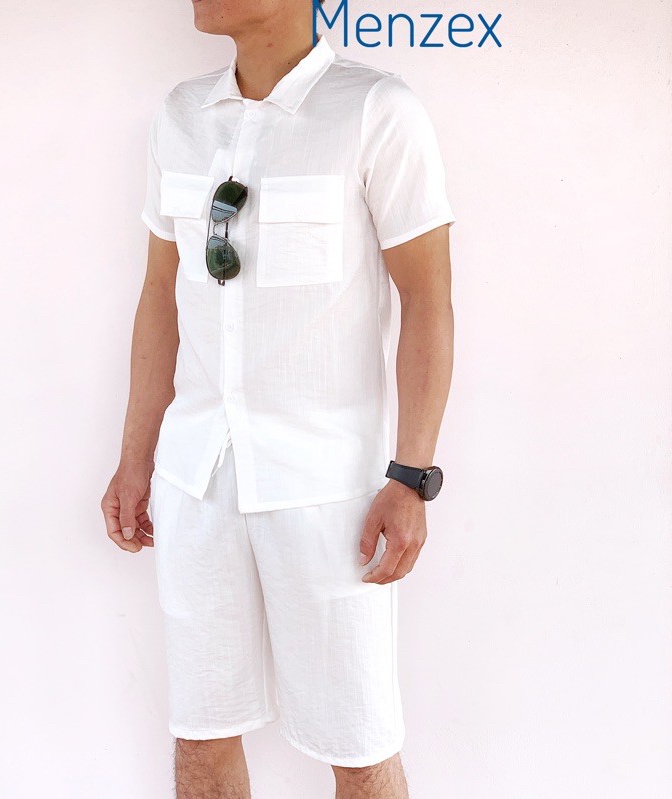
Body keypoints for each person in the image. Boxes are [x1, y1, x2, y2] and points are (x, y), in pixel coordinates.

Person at [101, 1, 455, 796]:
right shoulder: (180, 116)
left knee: (359, 746)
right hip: (196, 479)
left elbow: (427, 300)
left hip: (331, 491)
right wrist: (134, 459)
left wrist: (411, 476)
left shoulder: (375, 111)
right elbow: (160, 293)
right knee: (200, 737)